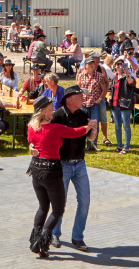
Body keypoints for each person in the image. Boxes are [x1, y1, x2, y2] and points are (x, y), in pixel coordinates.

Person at [26, 95, 96, 258]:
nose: (53, 110)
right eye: (51, 108)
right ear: (43, 112)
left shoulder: (31, 127)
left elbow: (31, 141)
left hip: (36, 172)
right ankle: (43, 242)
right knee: (57, 209)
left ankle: (35, 239)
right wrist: (88, 127)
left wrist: (31, 147)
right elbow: (73, 133)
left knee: (43, 207)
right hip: (51, 172)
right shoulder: (54, 128)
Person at [47, 85, 99, 251]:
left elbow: (90, 138)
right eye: (80, 96)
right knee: (59, 203)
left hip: (80, 163)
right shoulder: (58, 115)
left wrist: (94, 131)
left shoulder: (84, 114)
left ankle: (77, 237)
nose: (83, 98)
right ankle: (55, 234)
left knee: (85, 201)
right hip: (62, 164)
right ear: (70, 99)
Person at [77, 58, 107, 151]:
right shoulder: (81, 76)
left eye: (92, 64)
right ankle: (86, 144)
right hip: (84, 103)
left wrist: (100, 99)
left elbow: (104, 89)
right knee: (84, 123)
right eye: (89, 64)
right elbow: (77, 88)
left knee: (95, 122)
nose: (91, 65)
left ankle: (94, 143)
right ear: (85, 65)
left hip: (94, 103)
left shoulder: (99, 76)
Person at [110, 56, 135, 154]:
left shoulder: (127, 76)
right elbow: (113, 89)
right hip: (115, 104)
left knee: (126, 126)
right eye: (118, 64)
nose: (120, 66)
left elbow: (132, 83)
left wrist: (127, 75)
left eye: (122, 64)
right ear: (115, 66)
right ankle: (119, 145)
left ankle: (126, 147)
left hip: (125, 105)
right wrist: (110, 96)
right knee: (117, 126)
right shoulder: (114, 77)